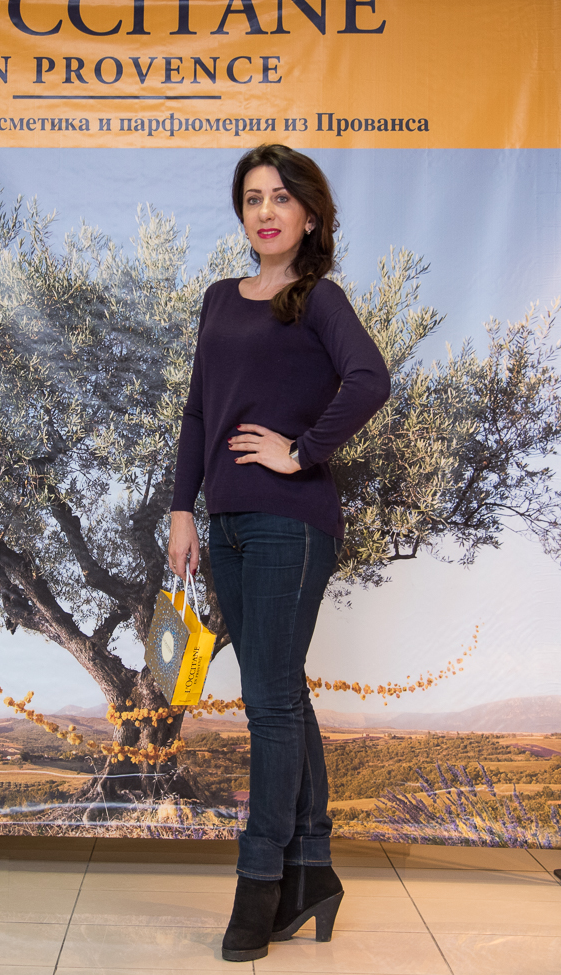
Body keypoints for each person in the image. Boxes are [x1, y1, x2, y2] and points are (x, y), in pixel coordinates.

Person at [167, 144, 390, 962]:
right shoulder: (219, 300)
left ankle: (259, 882)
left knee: (266, 703)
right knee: (283, 692)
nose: (266, 211)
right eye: (253, 198)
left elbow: (370, 379)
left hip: (290, 524)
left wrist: (300, 451)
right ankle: (313, 871)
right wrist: (181, 509)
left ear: (310, 215)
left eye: (281, 198)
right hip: (225, 523)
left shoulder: (317, 299)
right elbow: (199, 410)